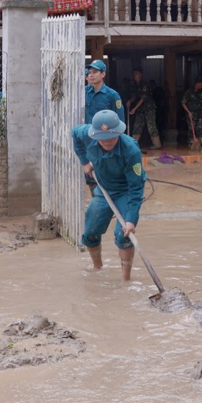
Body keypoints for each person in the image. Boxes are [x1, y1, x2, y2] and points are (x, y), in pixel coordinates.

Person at [72, 109, 147, 281]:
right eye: (102, 139)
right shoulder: (86, 134)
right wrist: (84, 162)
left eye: (111, 138)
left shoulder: (131, 151)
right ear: (95, 135)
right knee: (90, 232)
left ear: (119, 133)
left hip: (125, 192)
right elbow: (74, 134)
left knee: (124, 235)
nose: (107, 142)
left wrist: (130, 220)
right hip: (104, 190)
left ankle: (125, 280)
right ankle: (97, 268)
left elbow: (136, 189)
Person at [128, 68, 162, 151]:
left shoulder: (144, 85)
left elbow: (143, 98)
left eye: (136, 74)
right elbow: (135, 96)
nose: (135, 76)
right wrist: (130, 101)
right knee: (137, 126)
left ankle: (157, 145)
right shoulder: (135, 85)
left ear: (140, 75)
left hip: (148, 108)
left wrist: (134, 109)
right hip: (140, 109)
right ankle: (133, 144)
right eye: (134, 74)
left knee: (151, 126)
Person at [84, 59, 124, 125]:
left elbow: (120, 120)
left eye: (94, 72)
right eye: (90, 72)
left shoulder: (112, 95)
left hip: (103, 133)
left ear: (103, 74)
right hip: (86, 133)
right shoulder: (84, 92)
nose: (91, 75)